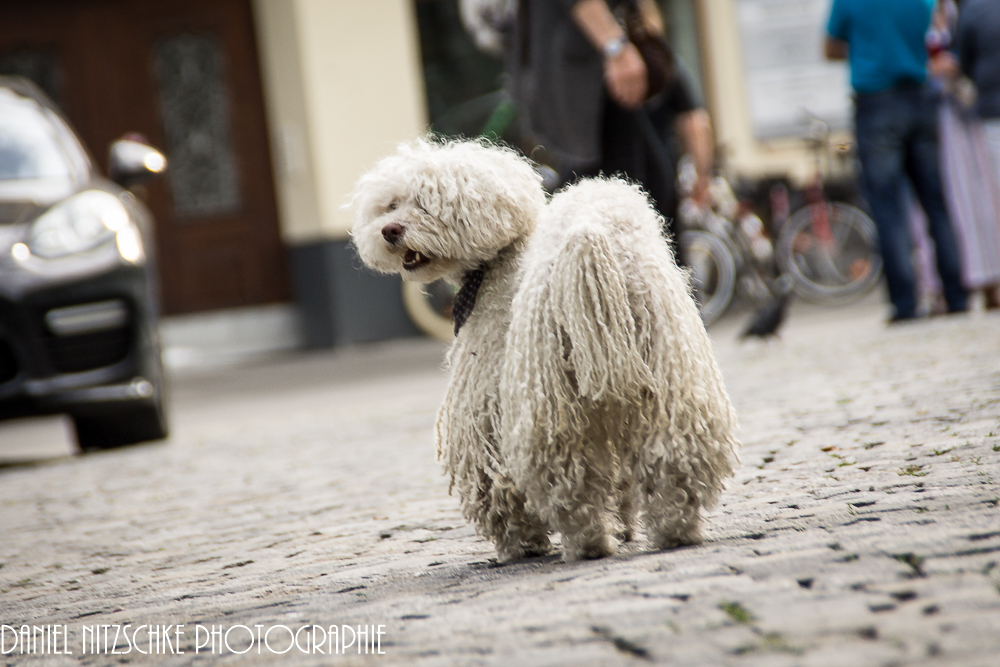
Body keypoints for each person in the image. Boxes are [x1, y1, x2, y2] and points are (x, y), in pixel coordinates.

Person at [506, 0, 714, 242]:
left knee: (648, 192)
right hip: (587, 76)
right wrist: (616, 47)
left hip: (591, 72)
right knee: (621, 208)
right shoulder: (634, 63)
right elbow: (696, 123)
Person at [826, 0, 968, 322]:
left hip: (876, 103)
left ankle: (906, 303)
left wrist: (867, 46)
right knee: (936, 202)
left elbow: (829, 47)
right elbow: (937, 29)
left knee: (888, 207)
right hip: (921, 97)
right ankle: (957, 295)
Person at [927, 0, 1000, 309]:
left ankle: (988, 280)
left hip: (971, 117)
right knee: (958, 200)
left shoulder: (968, 12)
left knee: (982, 198)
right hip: (943, 120)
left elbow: (966, 62)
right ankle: (956, 284)